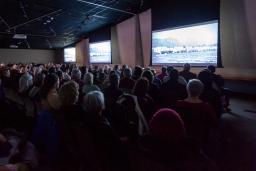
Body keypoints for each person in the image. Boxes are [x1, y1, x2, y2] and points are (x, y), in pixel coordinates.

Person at [82, 91, 128, 171]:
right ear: (101, 104)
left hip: (92, 154)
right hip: (106, 156)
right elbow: (117, 142)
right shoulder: (102, 124)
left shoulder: (84, 119)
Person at [176, 79, 217, 144]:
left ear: (187, 89)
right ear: (201, 91)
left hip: (181, 136)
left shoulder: (178, 104)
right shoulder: (206, 107)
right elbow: (213, 122)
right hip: (200, 136)